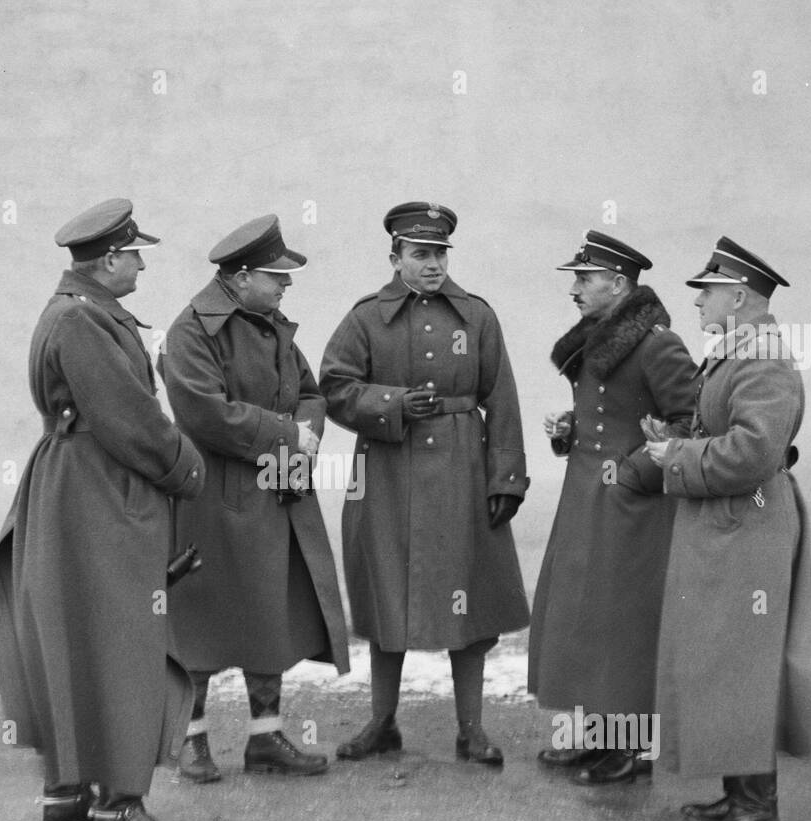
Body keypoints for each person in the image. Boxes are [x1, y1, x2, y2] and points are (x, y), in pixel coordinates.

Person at [0, 199, 204, 821]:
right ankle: (122, 806)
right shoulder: (86, 323)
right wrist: (186, 470)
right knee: (123, 641)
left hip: (73, 486)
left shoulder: (72, 311)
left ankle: (69, 786)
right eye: (136, 253)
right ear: (109, 261)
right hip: (100, 491)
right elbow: (132, 421)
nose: (140, 263)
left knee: (71, 635)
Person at [320, 202, 529, 766]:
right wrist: (389, 402)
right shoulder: (366, 318)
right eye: (421, 254)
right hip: (387, 472)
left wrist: (506, 476)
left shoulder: (477, 316)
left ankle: (472, 730)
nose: (433, 263)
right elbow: (335, 386)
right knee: (388, 594)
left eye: (439, 253)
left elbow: (502, 397)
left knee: (469, 597)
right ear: (395, 258)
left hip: (463, 467)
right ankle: (382, 723)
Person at [159, 215, 350, 782]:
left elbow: (311, 393)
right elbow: (203, 412)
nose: (285, 286)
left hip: (275, 487)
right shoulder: (192, 331)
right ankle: (190, 741)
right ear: (240, 278)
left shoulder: (270, 322)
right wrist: (288, 434)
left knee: (270, 610)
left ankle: (264, 739)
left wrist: (306, 433)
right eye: (276, 277)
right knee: (202, 618)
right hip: (210, 497)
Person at [643, 237, 802, 821]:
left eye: (706, 292)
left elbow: (757, 452)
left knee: (742, 669)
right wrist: (680, 435)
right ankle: (739, 798)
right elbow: (730, 432)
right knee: (723, 665)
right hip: (730, 527)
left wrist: (677, 455)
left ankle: (757, 817)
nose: (698, 303)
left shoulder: (760, 357)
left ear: (738, 296)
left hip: (747, 531)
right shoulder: (738, 351)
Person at [529, 231, 699, 784]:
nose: (574, 289)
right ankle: (600, 736)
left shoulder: (656, 344)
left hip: (632, 509)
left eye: (584, 279)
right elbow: (607, 413)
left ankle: (632, 746)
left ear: (619, 284)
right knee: (587, 618)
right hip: (585, 497)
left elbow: (690, 422)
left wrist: (634, 474)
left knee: (623, 622)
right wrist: (569, 429)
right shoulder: (598, 339)